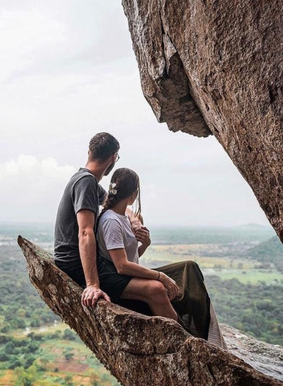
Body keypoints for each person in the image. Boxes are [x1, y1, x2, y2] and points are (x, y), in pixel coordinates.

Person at [96, 167, 227, 348]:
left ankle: (207, 331)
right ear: (133, 194)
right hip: (119, 278)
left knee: (189, 268)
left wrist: (145, 244)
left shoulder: (123, 217)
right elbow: (122, 266)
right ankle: (186, 340)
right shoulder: (111, 221)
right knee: (160, 286)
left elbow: (132, 258)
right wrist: (161, 276)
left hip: (129, 274)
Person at [53, 132, 119, 308]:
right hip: (75, 263)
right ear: (113, 157)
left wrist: (134, 220)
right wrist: (92, 285)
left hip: (71, 259)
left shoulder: (87, 180)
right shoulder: (86, 182)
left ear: (89, 151)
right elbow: (85, 232)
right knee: (154, 289)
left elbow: (112, 203)